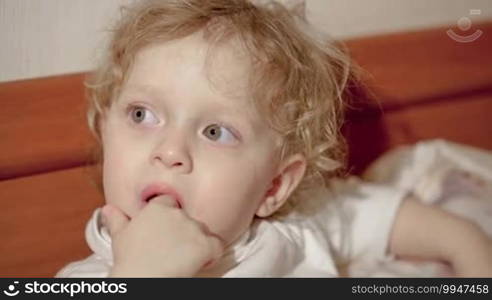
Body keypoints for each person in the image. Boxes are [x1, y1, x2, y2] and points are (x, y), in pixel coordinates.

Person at [56, 0, 492, 277]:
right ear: (102, 129)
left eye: (215, 131)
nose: (170, 151)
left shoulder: (298, 226)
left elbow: (450, 233)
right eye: (141, 114)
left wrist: (471, 255)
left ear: (273, 187)